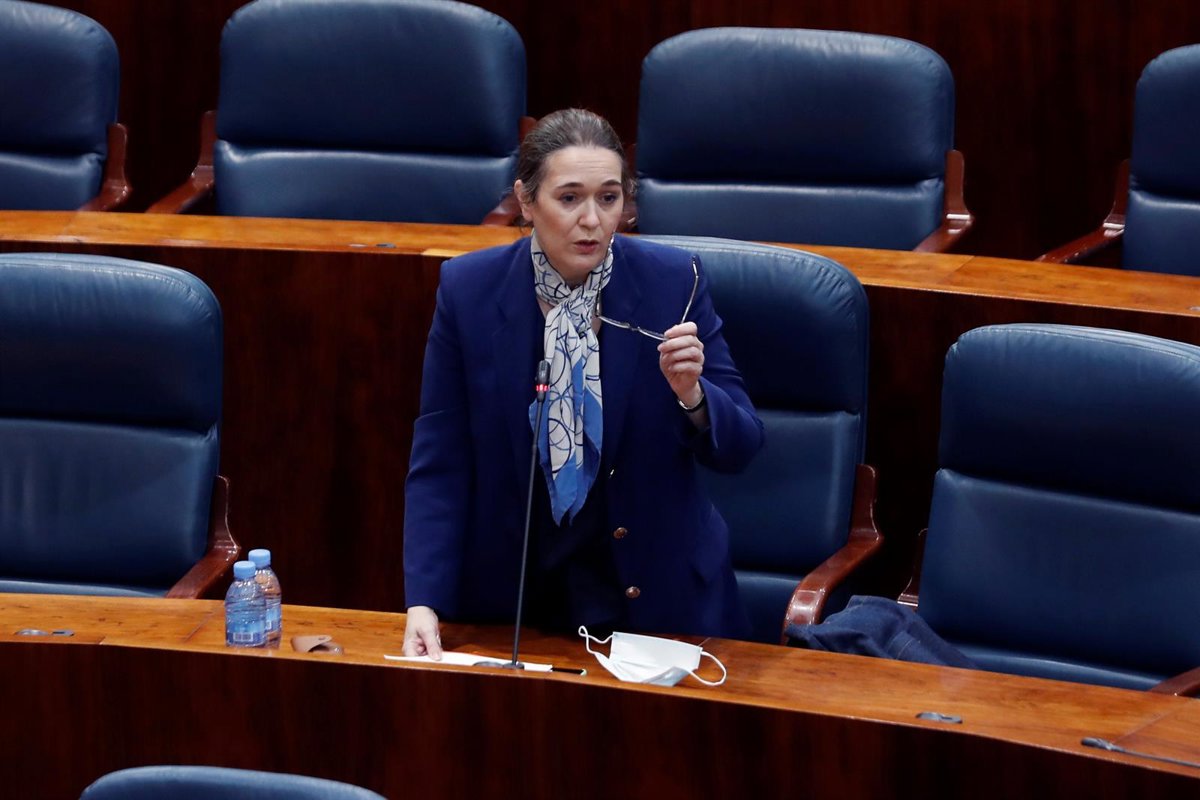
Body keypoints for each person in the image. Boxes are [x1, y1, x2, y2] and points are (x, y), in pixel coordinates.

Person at [402, 108, 763, 658]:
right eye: (569, 198)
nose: (592, 220)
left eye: (609, 198)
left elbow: (742, 447)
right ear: (526, 201)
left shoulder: (673, 282)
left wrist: (693, 396)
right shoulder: (468, 290)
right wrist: (424, 600)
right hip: (520, 602)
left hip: (660, 601)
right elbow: (441, 458)